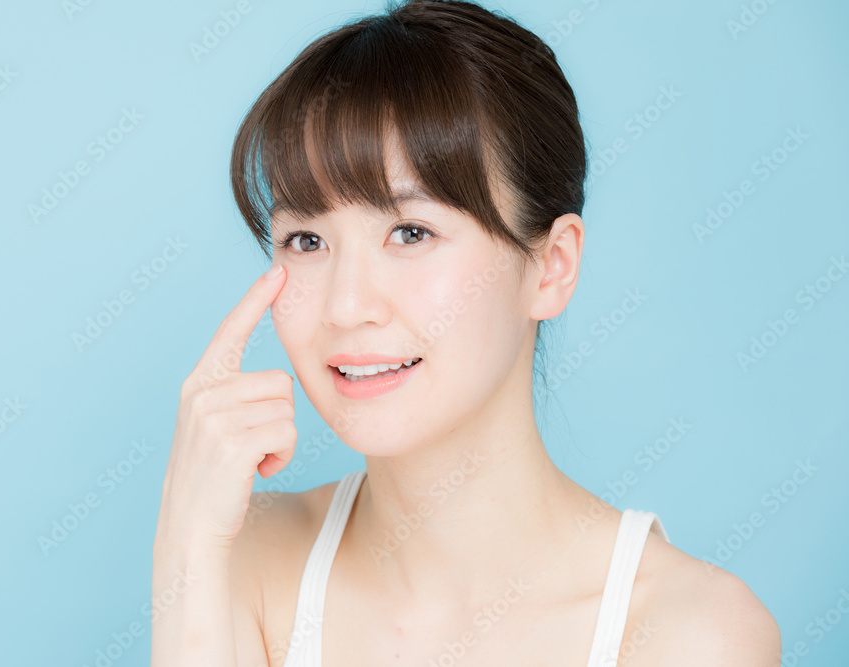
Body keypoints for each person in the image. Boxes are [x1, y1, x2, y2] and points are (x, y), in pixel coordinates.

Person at [152, 1, 781, 665]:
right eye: (306, 239)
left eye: (412, 232)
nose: (346, 304)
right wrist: (184, 541)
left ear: (551, 265)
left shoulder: (690, 630)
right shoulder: (247, 556)